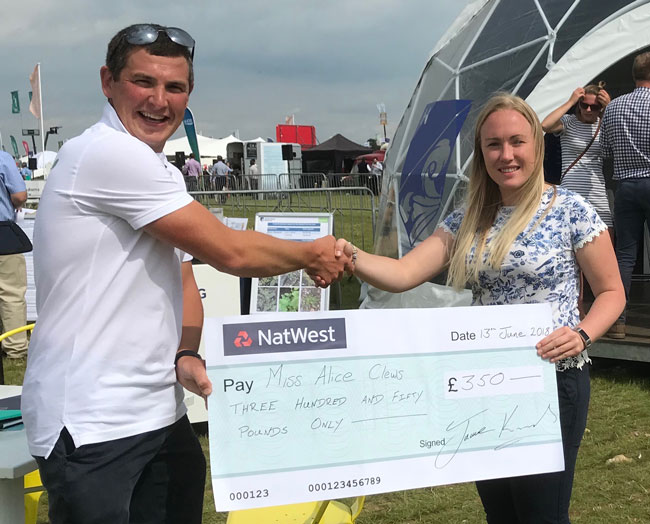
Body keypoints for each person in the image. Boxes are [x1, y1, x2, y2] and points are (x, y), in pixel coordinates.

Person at [22, 23, 347, 524]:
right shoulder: (105, 152)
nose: (159, 101)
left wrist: (186, 351)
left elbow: (182, 275)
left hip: (159, 413)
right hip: (93, 422)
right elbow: (230, 251)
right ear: (108, 82)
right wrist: (310, 254)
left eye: (174, 87)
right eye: (143, 82)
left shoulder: (163, 171)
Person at [337, 94, 624, 523]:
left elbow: (612, 292)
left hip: (551, 380)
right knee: (500, 514)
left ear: (536, 145)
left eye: (516, 141)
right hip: (485, 383)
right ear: (481, 152)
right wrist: (349, 255)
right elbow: (402, 273)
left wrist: (582, 335)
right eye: (493, 144)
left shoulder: (570, 210)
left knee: (541, 515)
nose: (506, 155)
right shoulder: (466, 219)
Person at [542, 84, 613, 318]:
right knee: (573, 252)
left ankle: (605, 305)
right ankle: (578, 305)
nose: (589, 110)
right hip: (572, 192)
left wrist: (609, 108)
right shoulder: (569, 123)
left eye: (595, 106)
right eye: (585, 105)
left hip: (597, 192)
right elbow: (545, 125)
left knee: (604, 247)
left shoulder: (604, 124)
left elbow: (621, 139)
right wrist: (571, 101)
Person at [600, 51, 650, 340]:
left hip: (626, 187)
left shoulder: (614, 107)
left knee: (625, 255)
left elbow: (605, 150)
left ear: (633, 74)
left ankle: (617, 320)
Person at [0, 151, 28, 360]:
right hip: (3, 231)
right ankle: (15, 347)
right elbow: (19, 196)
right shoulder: (2, 158)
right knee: (11, 292)